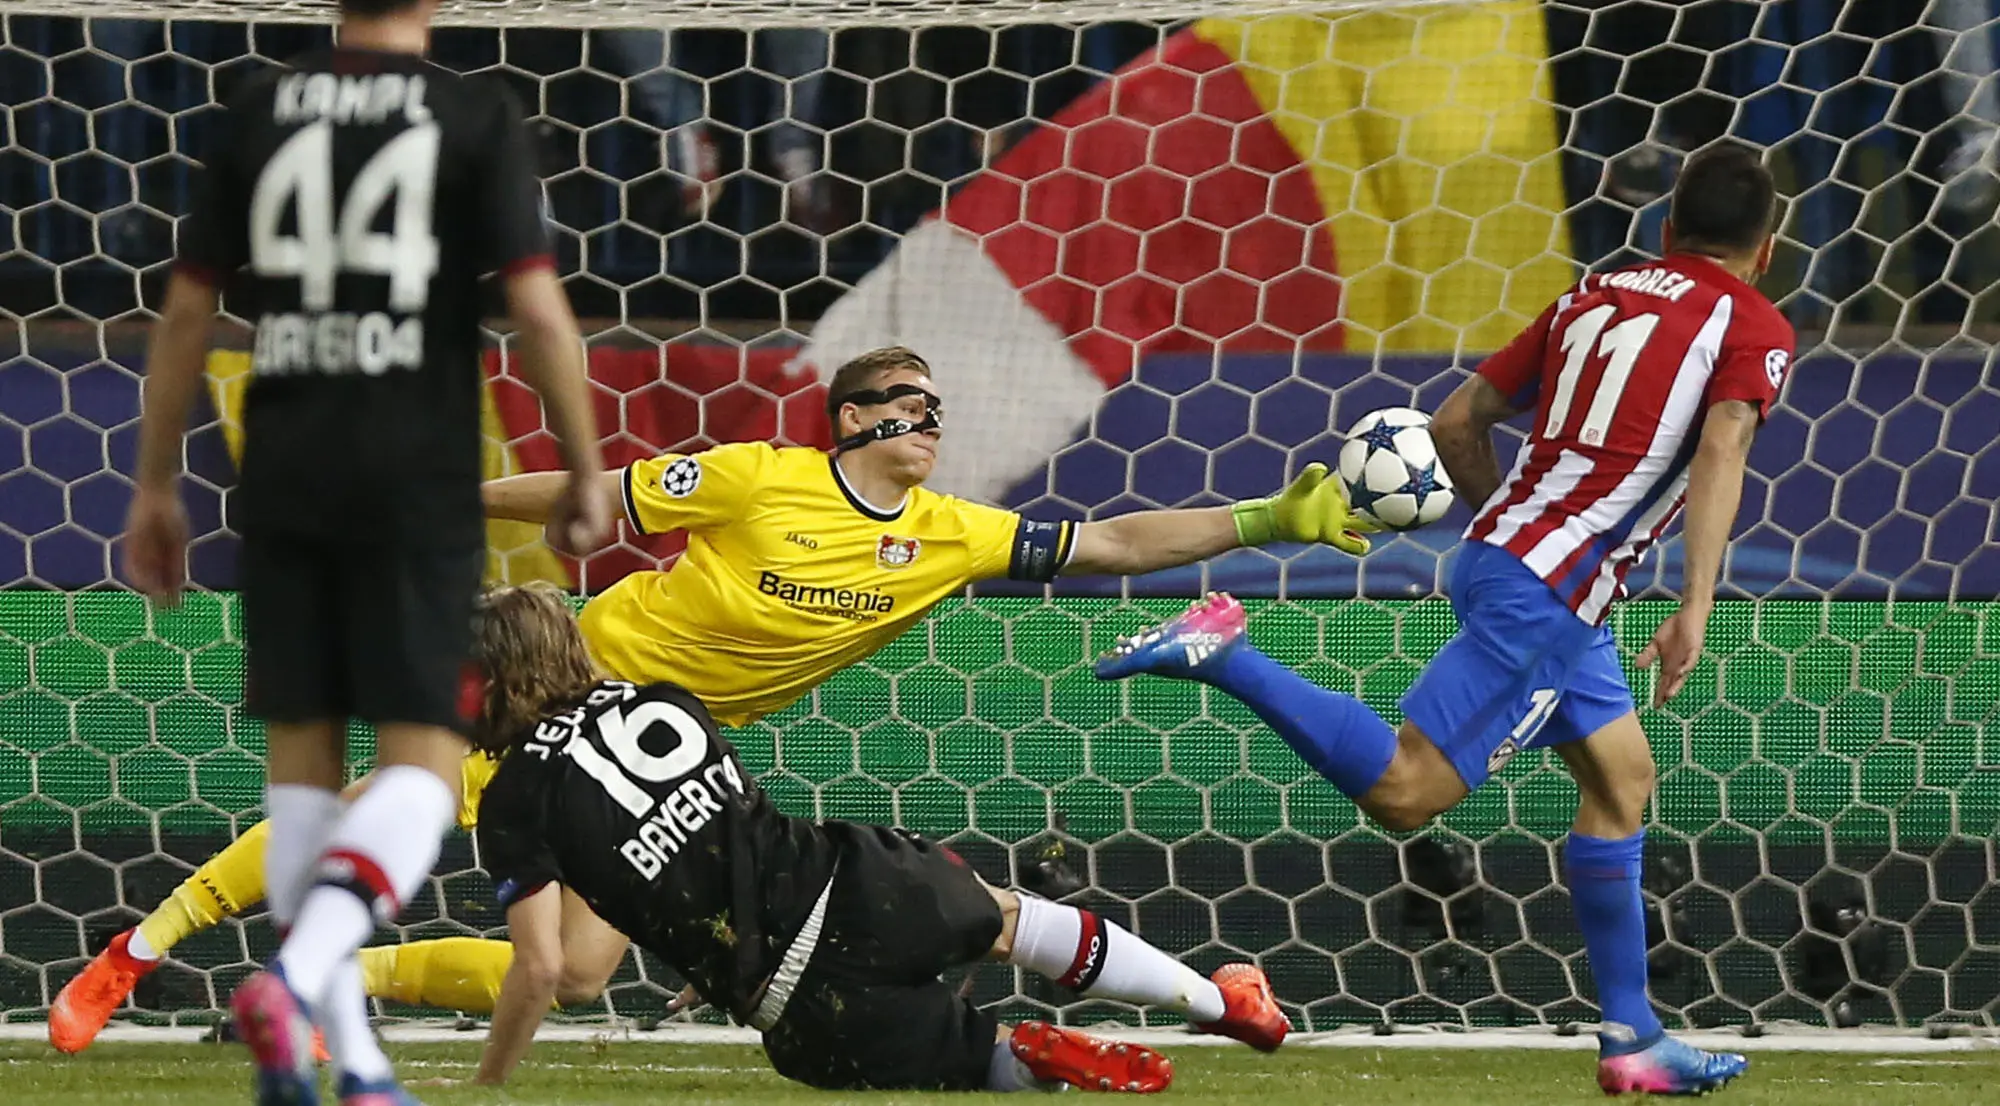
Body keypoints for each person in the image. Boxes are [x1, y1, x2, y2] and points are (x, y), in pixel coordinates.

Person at [60, 344, 1378, 1054]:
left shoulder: (955, 533)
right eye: (895, 397)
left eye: (932, 401)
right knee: (388, 805)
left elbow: (1122, 543)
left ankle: (328, 975)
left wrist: (1272, 515)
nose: (922, 414)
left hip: (670, 755)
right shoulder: (757, 477)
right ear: (844, 417)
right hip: (569, 687)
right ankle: (140, 948)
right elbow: (590, 504)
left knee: (572, 971)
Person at [1094, 142, 1792, 1097]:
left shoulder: (1589, 300)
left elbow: (1458, 424)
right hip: (1553, 590)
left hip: (1516, 562)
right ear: (1771, 244)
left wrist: (1514, 524)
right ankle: (1227, 652)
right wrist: (1695, 603)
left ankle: (1633, 1039)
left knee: (1624, 779)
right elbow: (1724, 446)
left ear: (1665, 232)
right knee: (1409, 794)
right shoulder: (1751, 323)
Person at [117, 1, 613, 1102]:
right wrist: (583, 470)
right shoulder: (469, 109)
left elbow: (187, 308)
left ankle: (354, 1065)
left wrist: (155, 482)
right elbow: (536, 306)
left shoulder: (255, 106)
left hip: (283, 459)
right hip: (414, 464)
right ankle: (296, 977)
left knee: (303, 771)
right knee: (426, 769)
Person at [463, 583, 1287, 1091]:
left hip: (790, 1002)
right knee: (1008, 919)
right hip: (855, 884)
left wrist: (491, 1084)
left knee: (968, 1060)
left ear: (498, 679)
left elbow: (552, 968)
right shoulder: (667, 701)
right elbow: (707, 837)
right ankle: (1225, 1003)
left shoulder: (514, 798)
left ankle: (1033, 1058)